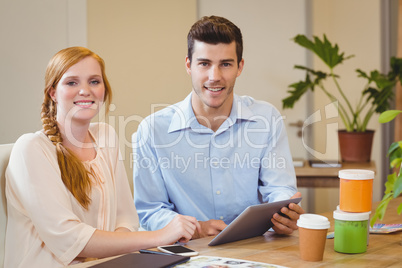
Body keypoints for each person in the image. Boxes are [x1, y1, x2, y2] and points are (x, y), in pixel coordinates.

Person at [5, 47, 199, 267]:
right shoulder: (30, 149)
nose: (85, 90)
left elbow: (126, 219)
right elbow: (71, 239)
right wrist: (162, 235)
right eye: (72, 83)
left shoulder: (105, 136)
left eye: (94, 81)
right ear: (52, 92)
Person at [133, 16, 305, 239]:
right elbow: (150, 211)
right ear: (189, 65)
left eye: (225, 64)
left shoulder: (267, 118)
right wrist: (197, 229)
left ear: (239, 67)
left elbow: (279, 188)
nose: (215, 77)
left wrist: (283, 213)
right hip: (187, 253)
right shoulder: (153, 130)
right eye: (204, 64)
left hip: (253, 250)